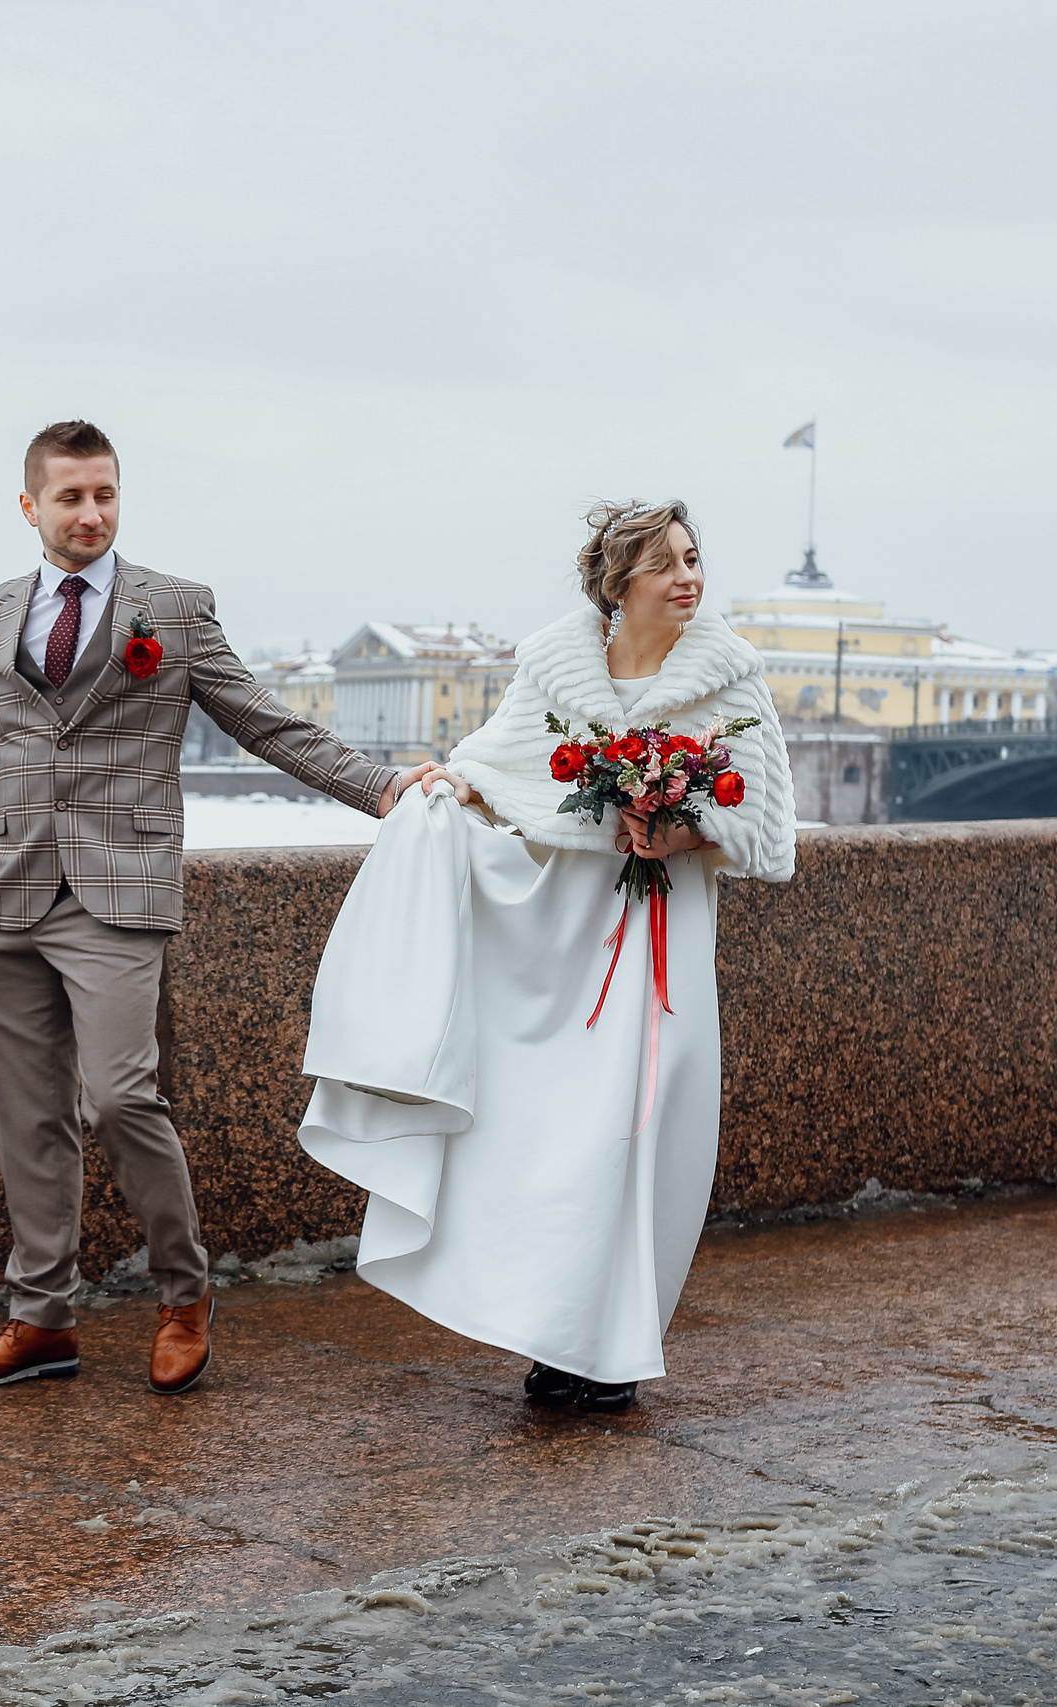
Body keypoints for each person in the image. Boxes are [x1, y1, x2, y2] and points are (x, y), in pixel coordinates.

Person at [0, 420, 437, 1395]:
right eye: (70, 498)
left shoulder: (170, 611)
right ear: (30, 508)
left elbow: (262, 721)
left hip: (117, 894)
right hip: (5, 895)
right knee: (26, 1115)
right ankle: (40, 1320)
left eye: (105, 494)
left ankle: (184, 1295)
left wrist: (381, 789)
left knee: (120, 1095)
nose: (90, 513)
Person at [297, 501, 795, 1412]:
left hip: (666, 936)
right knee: (566, 1133)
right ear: (620, 583)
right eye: (666, 564)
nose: (688, 577)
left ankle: (610, 1346)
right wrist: (452, 789)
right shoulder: (556, 669)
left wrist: (682, 832)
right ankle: (560, 1333)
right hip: (565, 935)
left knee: (648, 1123)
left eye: (694, 558)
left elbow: (764, 825)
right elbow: (497, 768)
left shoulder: (732, 679)